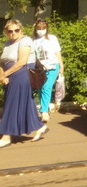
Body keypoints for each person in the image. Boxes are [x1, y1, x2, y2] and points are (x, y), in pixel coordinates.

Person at [0, 19, 47, 147]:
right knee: (25, 103)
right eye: (10, 31)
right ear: (6, 32)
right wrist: (2, 76)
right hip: (10, 75)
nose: (13, 33)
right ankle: (39, 126)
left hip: (21, 75)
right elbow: (1, 62)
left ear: (21, 30)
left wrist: (5, 74)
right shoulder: (7, 44)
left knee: (12, 103)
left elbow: (22, 62)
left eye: (16, 30)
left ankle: (6, 135)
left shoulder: (25, 40)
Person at [32, 19, 64, 122]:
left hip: (53, 66)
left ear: (46, 28)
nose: (41, 30)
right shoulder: (33, 41)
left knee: (46, 87)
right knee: (41, 88)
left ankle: (44, 111)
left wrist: (61, 66)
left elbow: (57, 52)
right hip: (40, 69)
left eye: (43, 28)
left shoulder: (52, 38)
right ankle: (45, 108)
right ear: (35, 28)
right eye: (39, 28)